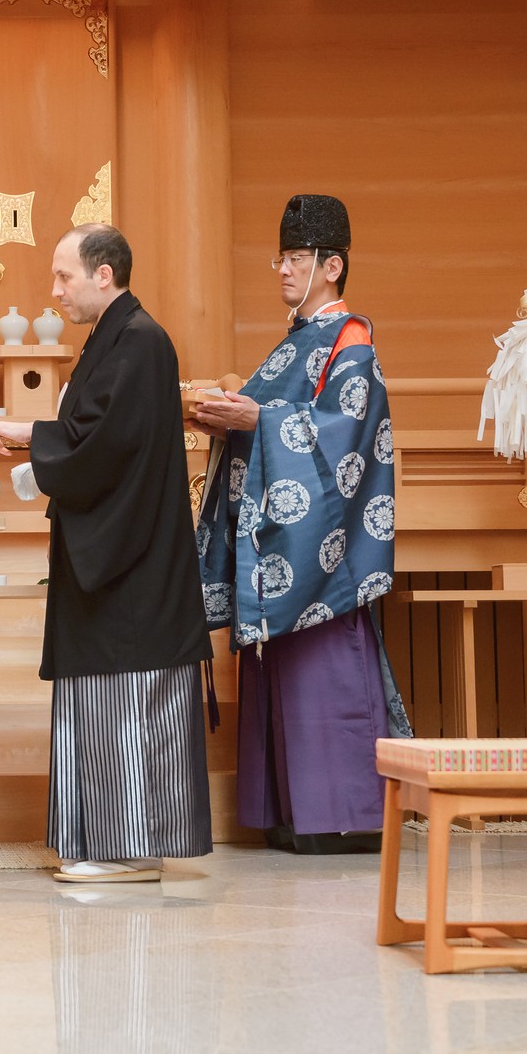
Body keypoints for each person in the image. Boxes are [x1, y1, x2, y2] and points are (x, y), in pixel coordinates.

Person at [0, 225, 213, 884]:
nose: (55, 290)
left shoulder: (141, 342)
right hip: (108, 553)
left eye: (64, 276)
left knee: (129, 697)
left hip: (131, 561)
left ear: (104, 274)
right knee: (99, 700)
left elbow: (105, 445)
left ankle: (132, 846)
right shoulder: (115, 340)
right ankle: (100, 842)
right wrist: (30, 438)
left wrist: (28, 436)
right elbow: (89, 436)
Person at [191, 194, 411, 855]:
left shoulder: (351, 344)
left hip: (326, 557)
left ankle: (346, 816)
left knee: (325, 674)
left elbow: (341, 437)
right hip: (288, 540)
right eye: (281, 257)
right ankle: (291, 814)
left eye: (297, 258)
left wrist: (254, 421)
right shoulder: (296, 346)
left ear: (332, 265)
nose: (284, 269)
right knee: (289, 674)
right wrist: (226, 421)